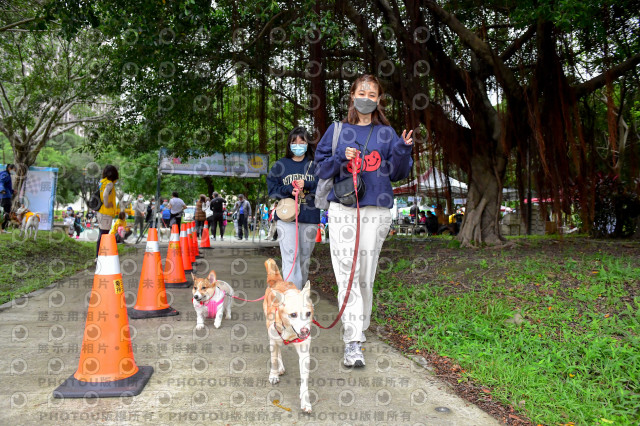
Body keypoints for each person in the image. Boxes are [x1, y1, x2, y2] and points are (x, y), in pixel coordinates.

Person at [314, 74, 413, 367]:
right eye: (362, 92)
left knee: (365, 276)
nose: (366, 98)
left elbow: (397, 172)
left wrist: (403, 149)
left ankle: (359, 327)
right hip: (343, 209)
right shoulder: (337, 130)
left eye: (372, 94)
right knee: (347, 273)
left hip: (376, 210)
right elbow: (321, 168)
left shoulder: (387, 133)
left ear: (379, 100)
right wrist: (342, 158)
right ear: (352, 96)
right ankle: (353, 340)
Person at [267, 127, 320, 290]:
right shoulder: (280, 165)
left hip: (310, 217)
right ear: (289, 144)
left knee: (304, 258)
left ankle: (300, 289)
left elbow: (325, 186)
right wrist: (288, 189)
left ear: (307, 143)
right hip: (286, 218)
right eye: (294, 141)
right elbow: (272, 189)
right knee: (291, 256)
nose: (298, 144)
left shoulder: (315, 164)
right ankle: (292, 295)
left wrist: (308, 184)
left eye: (302, 141)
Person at [96, 165, 119, 257]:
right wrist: (107, 204)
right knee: (104, 235)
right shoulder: (109, 183)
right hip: (106, 212)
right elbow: (105, 194)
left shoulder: (102, 182)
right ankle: (99, 256)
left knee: (101, 234)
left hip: (101, 211)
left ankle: (99, 255)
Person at [0, 164, 15, 233]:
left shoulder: (7, 175)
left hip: (6, 196)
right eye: (14, 170)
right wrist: (2, 190)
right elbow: (1, 182)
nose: (14, 171)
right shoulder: (5, 175)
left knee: (5, 212)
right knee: (5, 213)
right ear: (9, 168)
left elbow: (7, 187)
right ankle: (2, 229)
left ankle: (2, 228)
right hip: (5, 197)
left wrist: (12, 191)